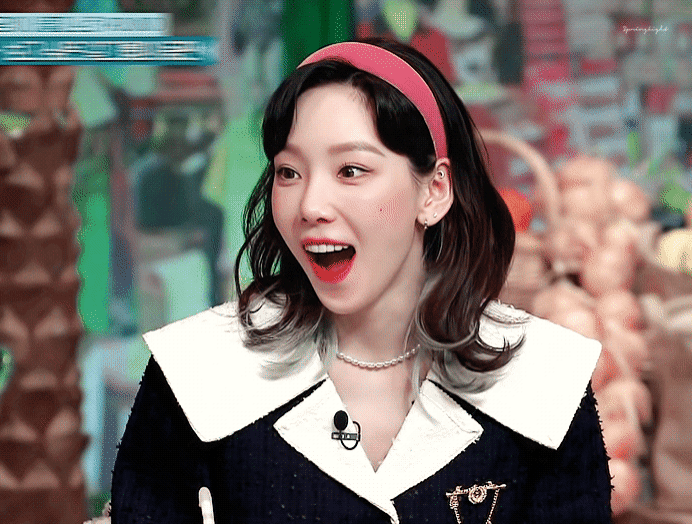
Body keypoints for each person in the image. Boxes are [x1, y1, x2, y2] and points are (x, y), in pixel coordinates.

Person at [111, 38, 612, 524]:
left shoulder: (546, 379)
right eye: (289, 172)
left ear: (434, 192)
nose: (310, 206)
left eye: (350, 170)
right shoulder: (195, 369)